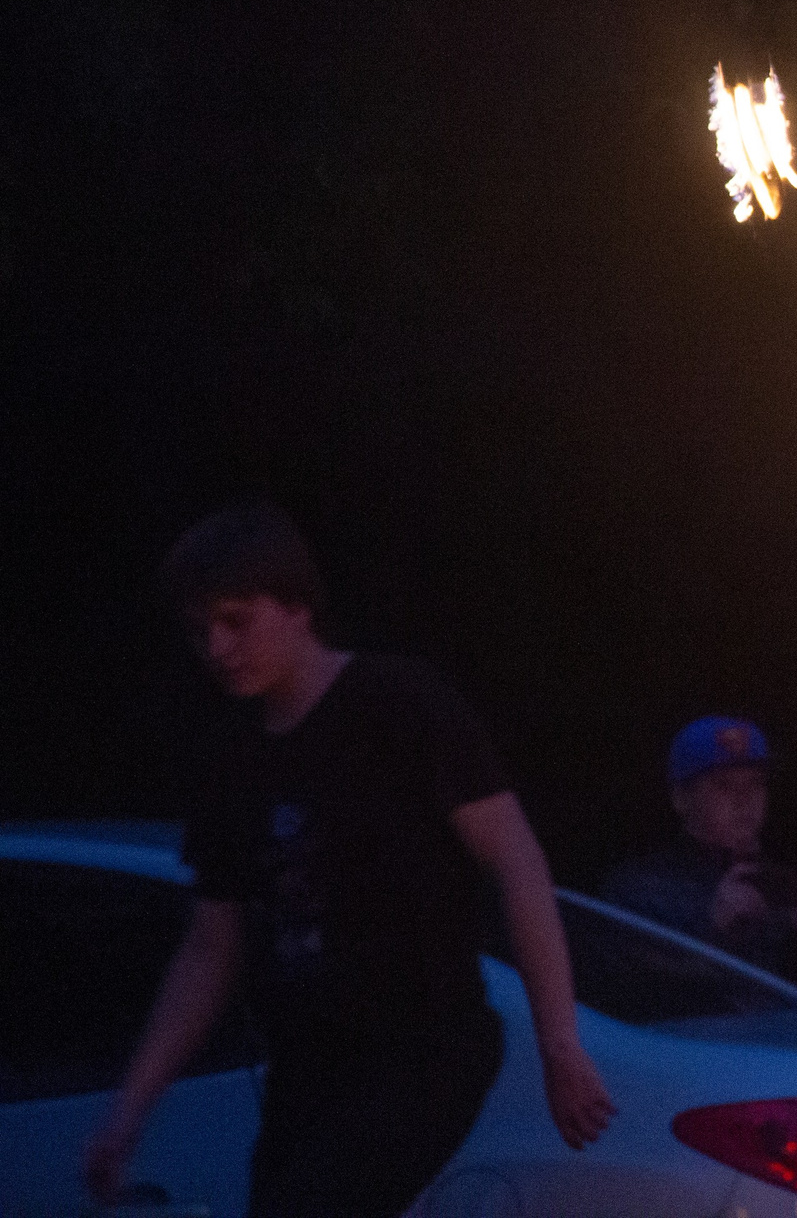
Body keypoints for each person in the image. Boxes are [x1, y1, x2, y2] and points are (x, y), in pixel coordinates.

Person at [84, 502, 616, 1218]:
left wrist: (560, 1041)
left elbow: (517, 857)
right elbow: (210, 950)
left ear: (297, 604)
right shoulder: (232, 759)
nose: (216, 646)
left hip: (423, 1048)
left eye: (235, 619)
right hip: (308, 1071)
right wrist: (129, 1111)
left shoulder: (398, 703)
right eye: (199, 629)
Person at [597, 714, 797, 981]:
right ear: (681, 798)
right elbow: (626, 994)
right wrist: (714, 931)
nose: (745, 800)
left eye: (756, 784)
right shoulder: (637, 891)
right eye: (724, 786)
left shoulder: (789, 888)